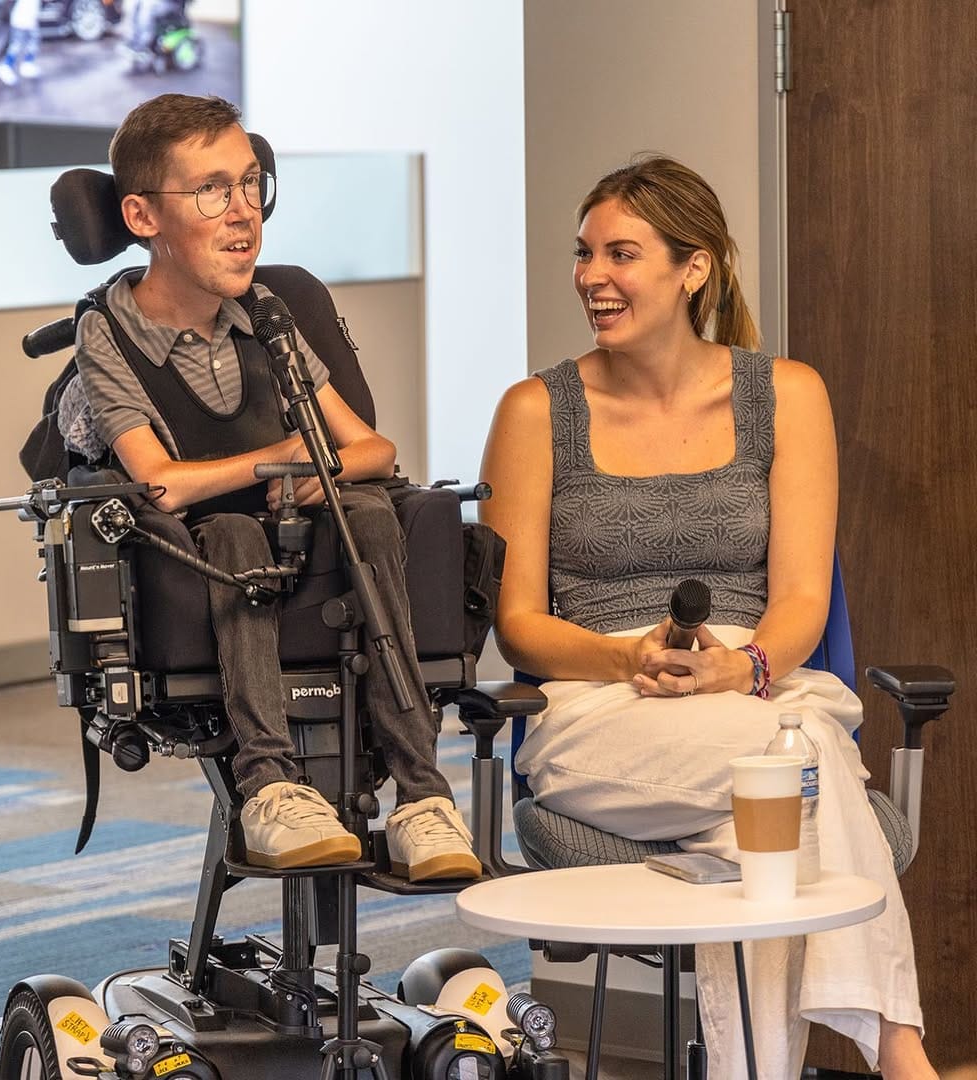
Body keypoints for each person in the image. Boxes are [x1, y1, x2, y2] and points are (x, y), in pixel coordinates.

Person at [479, 156, 936, 1078]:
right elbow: (516, 623)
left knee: (762, 820)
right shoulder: (536, 412)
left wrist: (743, 668)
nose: (591, 277)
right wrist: (626, 661)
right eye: (584, 254)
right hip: (599, 707)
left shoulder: (788, 395)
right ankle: (900, 1052)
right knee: (798, 776)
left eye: (621, 254)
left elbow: (804, 596)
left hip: (758, 685)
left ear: (695, 269)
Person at [71, 93, 481, 884]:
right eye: (213, 191)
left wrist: (307, 474)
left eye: (253, 184)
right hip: (209, 555)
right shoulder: (109, 330)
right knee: (231, 532)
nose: (244, 214)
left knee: (365, 509)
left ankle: (423, 798)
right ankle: (268, 787)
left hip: (305, 542)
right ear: (142, 215)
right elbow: (158, 484)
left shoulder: (269, 311)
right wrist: (285, 462)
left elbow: (371, 448)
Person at [0, 0, 42, 85]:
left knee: (33, 43)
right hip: (21, 19)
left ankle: (27, 64)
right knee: (17, 45)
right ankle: (5, 66)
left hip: (31, 19)